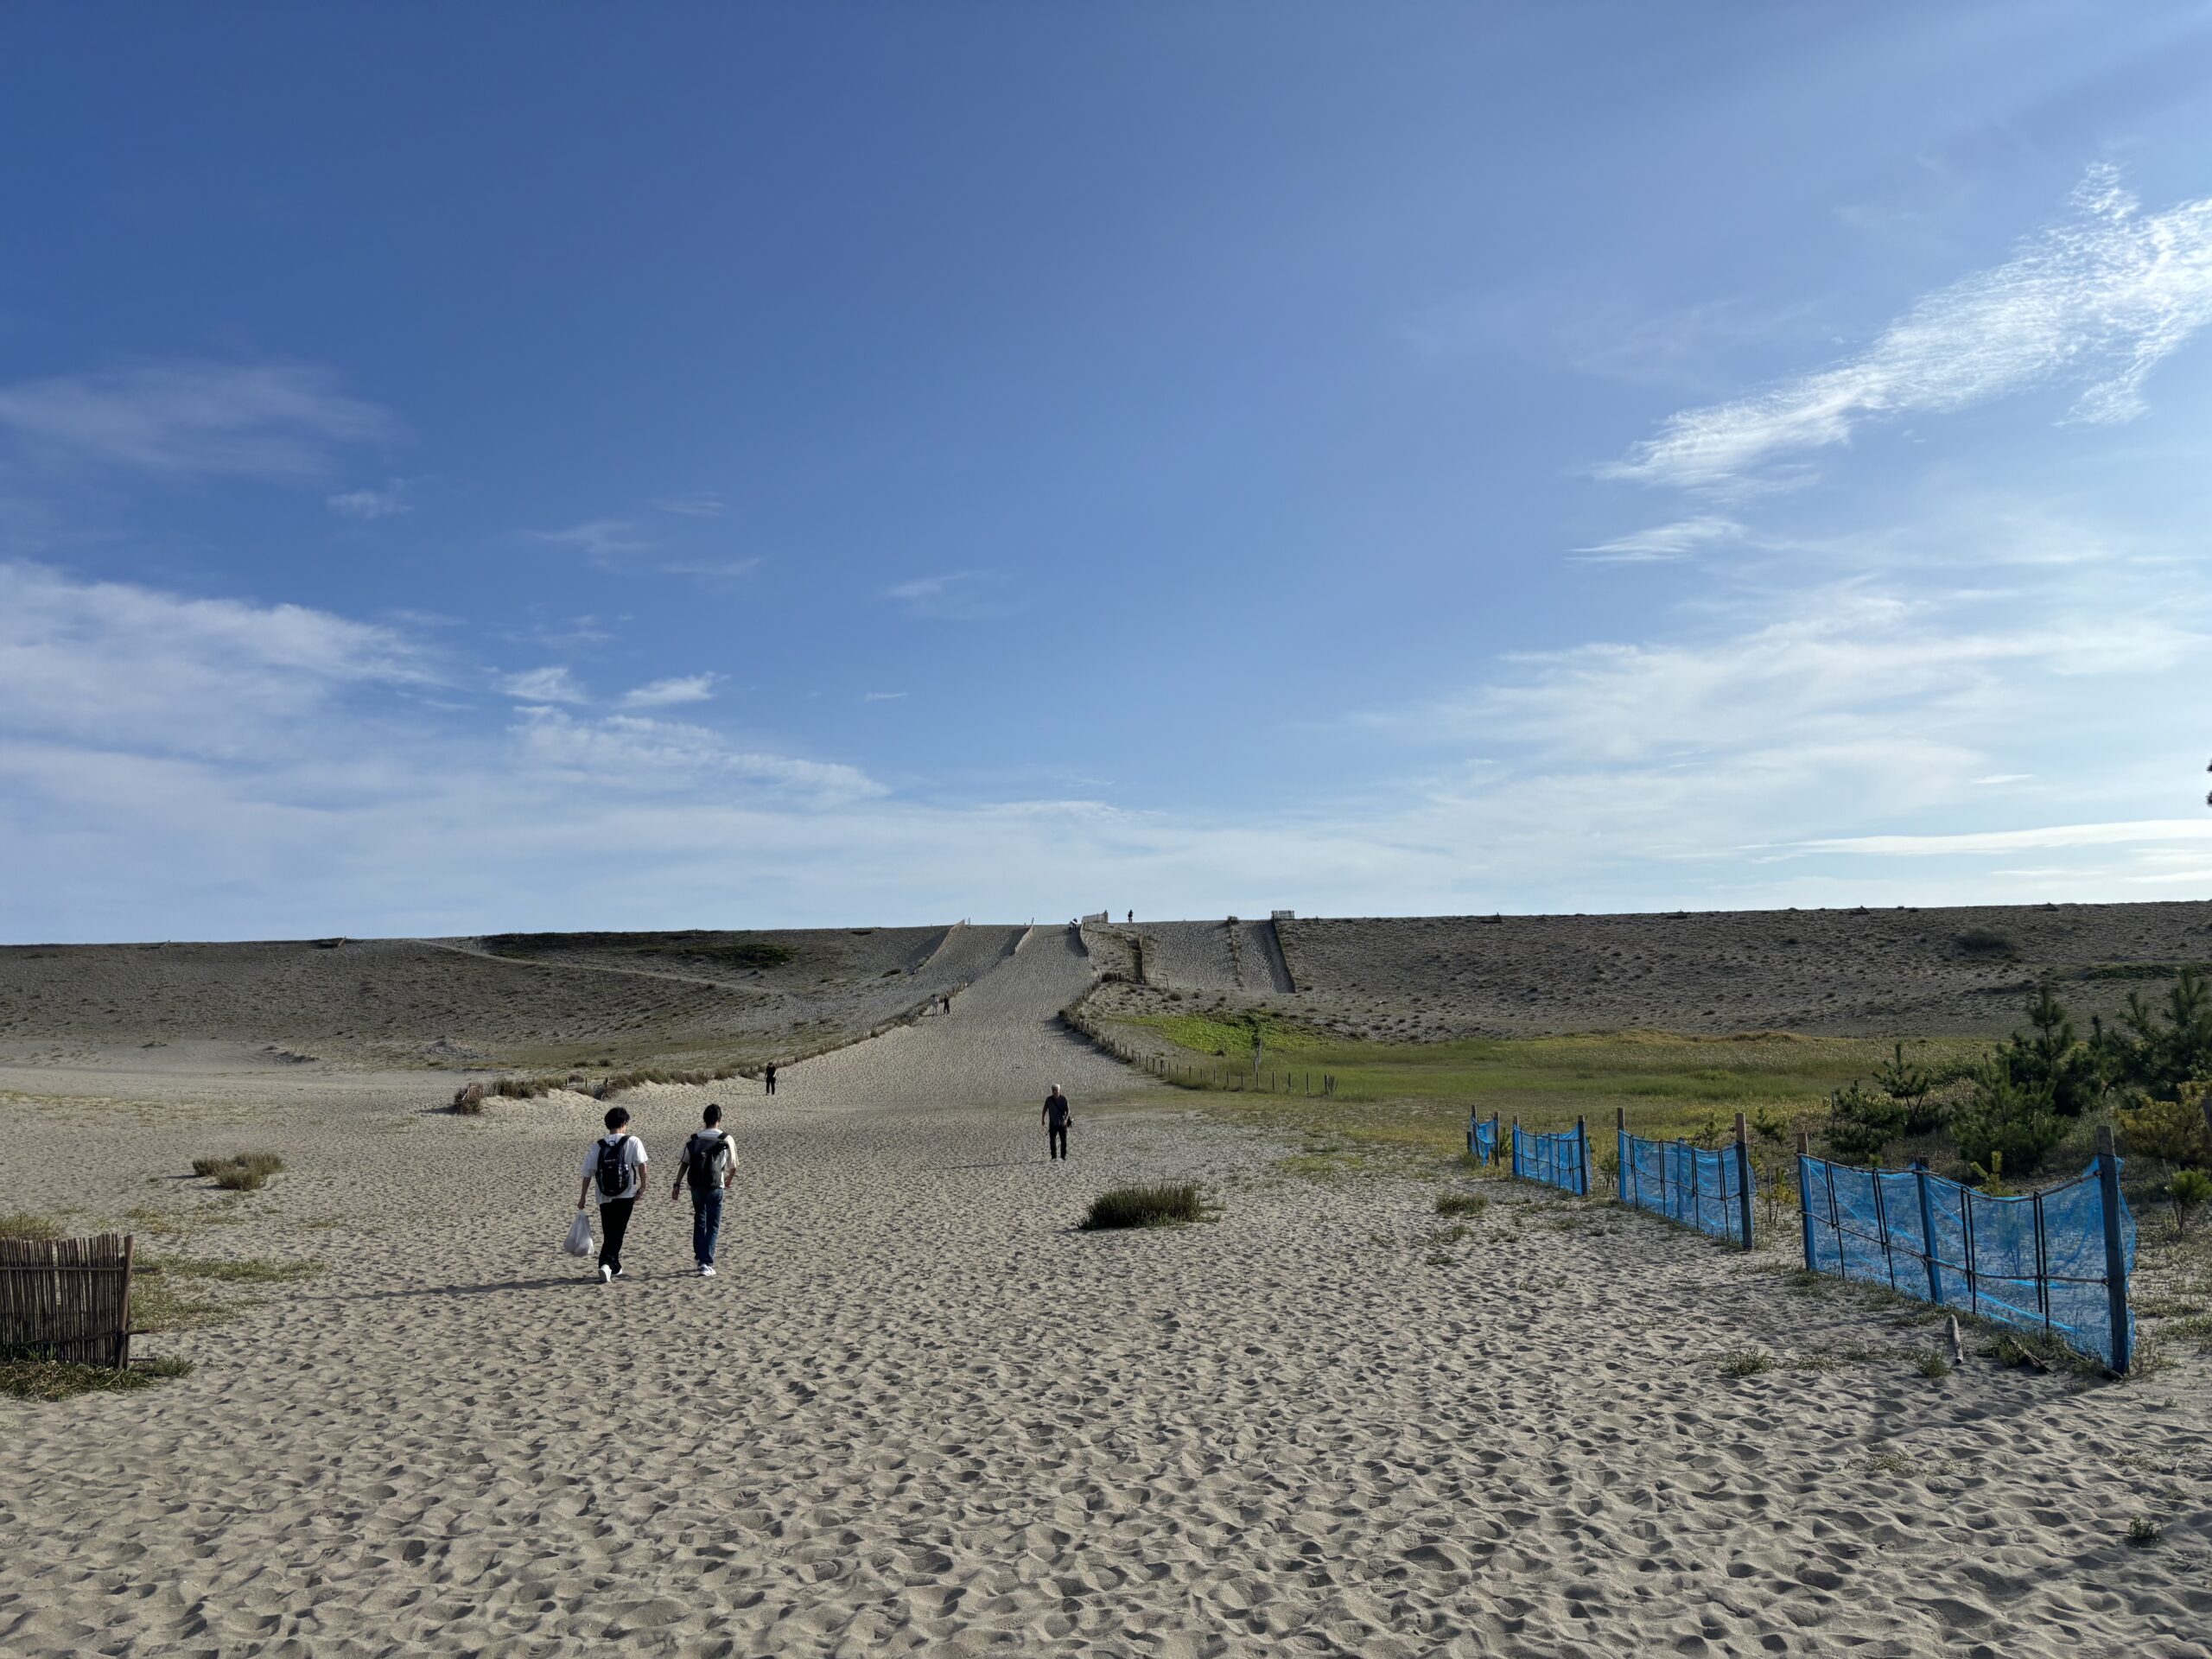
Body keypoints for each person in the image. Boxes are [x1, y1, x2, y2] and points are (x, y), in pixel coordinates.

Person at [577, 1105, 647, 1283]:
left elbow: (588, 1173)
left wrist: (583, 1196)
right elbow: (642, 1166)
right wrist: (643, 1185)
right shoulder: (633, 1141)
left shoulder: (597, 1145)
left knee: (610, 1231)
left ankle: (614, 1265)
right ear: (623, 1123)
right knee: (618, 1232)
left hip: (604, 1195)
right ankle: (606, 1265)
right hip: (626, 1194)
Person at [670, 1103, 736, 1277]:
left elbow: (684, 1163)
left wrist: (677, 1184)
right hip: (716, 1185)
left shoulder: (694, 1138)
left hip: (696, 1186)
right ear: (719, 1120)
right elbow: (733, 1166)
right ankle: (706, 1262)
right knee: (713, 1224)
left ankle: (700, 1258)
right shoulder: (726, 1138)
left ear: (704, 1120)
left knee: (699, 1220)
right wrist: (728, 1179)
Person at [1042, 1084, 1072, 1161]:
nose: (1055, 1092)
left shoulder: (1064, 1099)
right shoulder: (1049, 1099)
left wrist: (1066, 1120)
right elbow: (1044, 1109)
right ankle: (1054, 1157)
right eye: (1053, 1090)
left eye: (1056, 1090)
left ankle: (1063, 1156)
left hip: (1062, 1123)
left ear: (1059, 1090)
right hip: (1053, 1124)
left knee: (1064, 1141)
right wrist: (1043, 1119)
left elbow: (1068, 1110)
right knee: (1052, 1141)